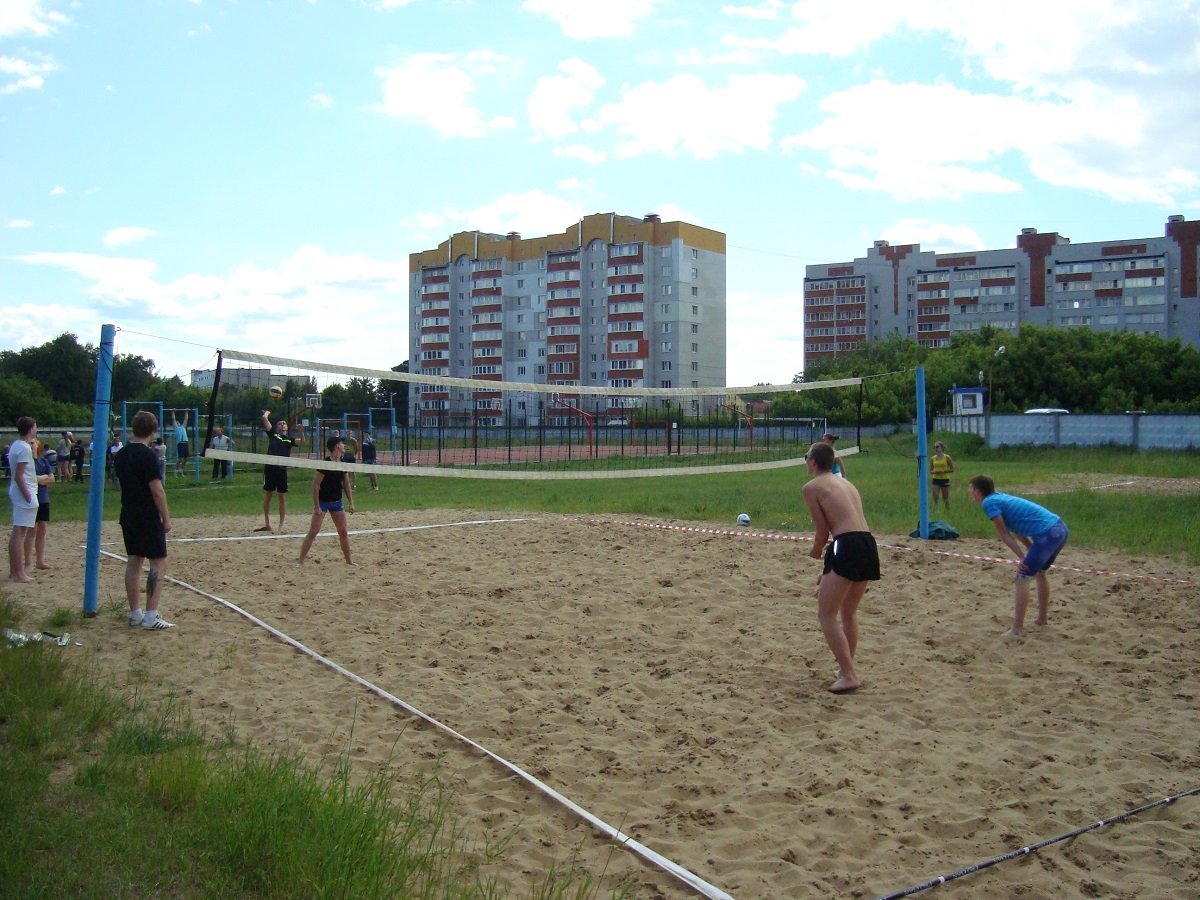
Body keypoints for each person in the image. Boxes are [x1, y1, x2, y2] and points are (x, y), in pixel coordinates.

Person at [802, 441, 880, 693]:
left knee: (826, 614)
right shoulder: (846, 483)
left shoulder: (811, 487)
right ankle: (845, 667)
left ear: (813, 462)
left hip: (845, 544)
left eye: (806, 457)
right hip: (867, 543)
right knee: (848, 612)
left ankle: (848, 673)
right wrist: (827, 572)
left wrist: (815, 551)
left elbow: (823, 532)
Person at [968, 475, 1069, 638]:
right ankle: (1042, 619)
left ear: (978, 491)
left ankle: (1016, 630)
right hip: (1060, 529)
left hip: (1048, 534)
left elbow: (1005, 535)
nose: (969, 492)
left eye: (971, 489)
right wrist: (1029, 549)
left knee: (1022, 576)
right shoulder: (999, 498)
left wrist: (1022, 557)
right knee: (1039, 572)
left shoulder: (989, 503)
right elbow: (1017, 529)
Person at [113, 411, 174, 630]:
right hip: (146, 515)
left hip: (128, 513)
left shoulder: (121, 454)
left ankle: (135, 613)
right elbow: (157, 490)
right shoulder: (147, 455)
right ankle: (151, 616)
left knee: (134, 561)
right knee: (158, 562)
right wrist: (166, 518)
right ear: (153, 431)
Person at [298, 434, 356, 566]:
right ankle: (301, 560)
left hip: (337, 502)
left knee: (343, 532)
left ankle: (349, 561)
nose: (344, 446)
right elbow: (315, 485)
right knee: (313, 532)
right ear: (337, 446)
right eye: (342, 443)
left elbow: (346, 485)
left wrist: (351, 503)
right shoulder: (325, 463)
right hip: (323, 502)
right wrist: (317, 506)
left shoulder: (342, 464)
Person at [258, 409, 304, 532]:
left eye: (284, 423)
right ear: (277, 427)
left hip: (282, 469)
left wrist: (301, 432)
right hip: (271, 468)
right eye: (280, 423)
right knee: (268, 494)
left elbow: (301, 442)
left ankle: (281, 525)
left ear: (287, 427)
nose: (283, 424)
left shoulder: (289, 440)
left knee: (282, 496)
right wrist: (267, 412)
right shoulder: (273, 434)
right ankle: (267, 523)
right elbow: (264, 419)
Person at [7, 418, 39, 582]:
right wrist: (28, 497)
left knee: (17, 532)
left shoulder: (16, 445)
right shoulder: (24, 448)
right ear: (30, 429)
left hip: (20, 491)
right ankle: (19, 572)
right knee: (20, 533)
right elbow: (20, 476)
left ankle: (14, 571)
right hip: (24, 492)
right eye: (34, 427)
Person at [28, 445, 56, 570]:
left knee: (42, 529)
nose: (32, 446)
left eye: (33, 443)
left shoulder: (43, 461)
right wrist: (39, 479)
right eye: (30, 443)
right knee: (31, 530)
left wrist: (39, 480)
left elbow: (52, 479)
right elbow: (28, 479)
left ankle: (40, 561)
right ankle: (27, 562)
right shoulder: (27, 462)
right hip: (31, 498)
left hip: (43, 499)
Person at [930, 441, 955, 509]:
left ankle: (947, 510)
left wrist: (943, 471)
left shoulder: (947, 457)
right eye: (934, 447)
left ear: (942, 448)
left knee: (945, 498)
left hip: (945, 479)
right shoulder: (932, 458)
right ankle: (934, 510)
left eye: (937, 447)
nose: (936, 448)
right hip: (935, 479)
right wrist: (935, 471)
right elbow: (931, 470)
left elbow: (952, 469)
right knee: (935, 496)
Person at [171, 410, 189, 476]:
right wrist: (173, 412)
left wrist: (186, 412)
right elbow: (173, 419)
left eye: (178, 422)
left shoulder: (183, 427)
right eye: (176, 422)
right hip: (180, 443)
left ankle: (181, 469)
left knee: (186, 458)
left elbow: (186, 419)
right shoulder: (176, 428)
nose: (177, 423)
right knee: (180, 458)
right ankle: (176, 470)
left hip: (185, 443)